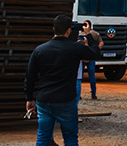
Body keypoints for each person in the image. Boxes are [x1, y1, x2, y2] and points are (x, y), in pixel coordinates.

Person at [25, 15, 99, 146]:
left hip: (44, 100)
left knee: (43, 137)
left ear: (54, 29)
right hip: (66, 100)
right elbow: (95, 53)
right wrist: (88, 35)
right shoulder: (75, 48)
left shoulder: (39, 50)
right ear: (68, 31)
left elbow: (30, 77)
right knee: (70, 138)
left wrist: (29, 98)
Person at [79, 20, 102, 100]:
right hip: (91, 57)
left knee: (79, 77)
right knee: (92, 75)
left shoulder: (79, 34)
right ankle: (93, 94)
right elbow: (101, 43)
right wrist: (96, 50)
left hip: (81, 57)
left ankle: (78, 94)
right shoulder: (95, 34)